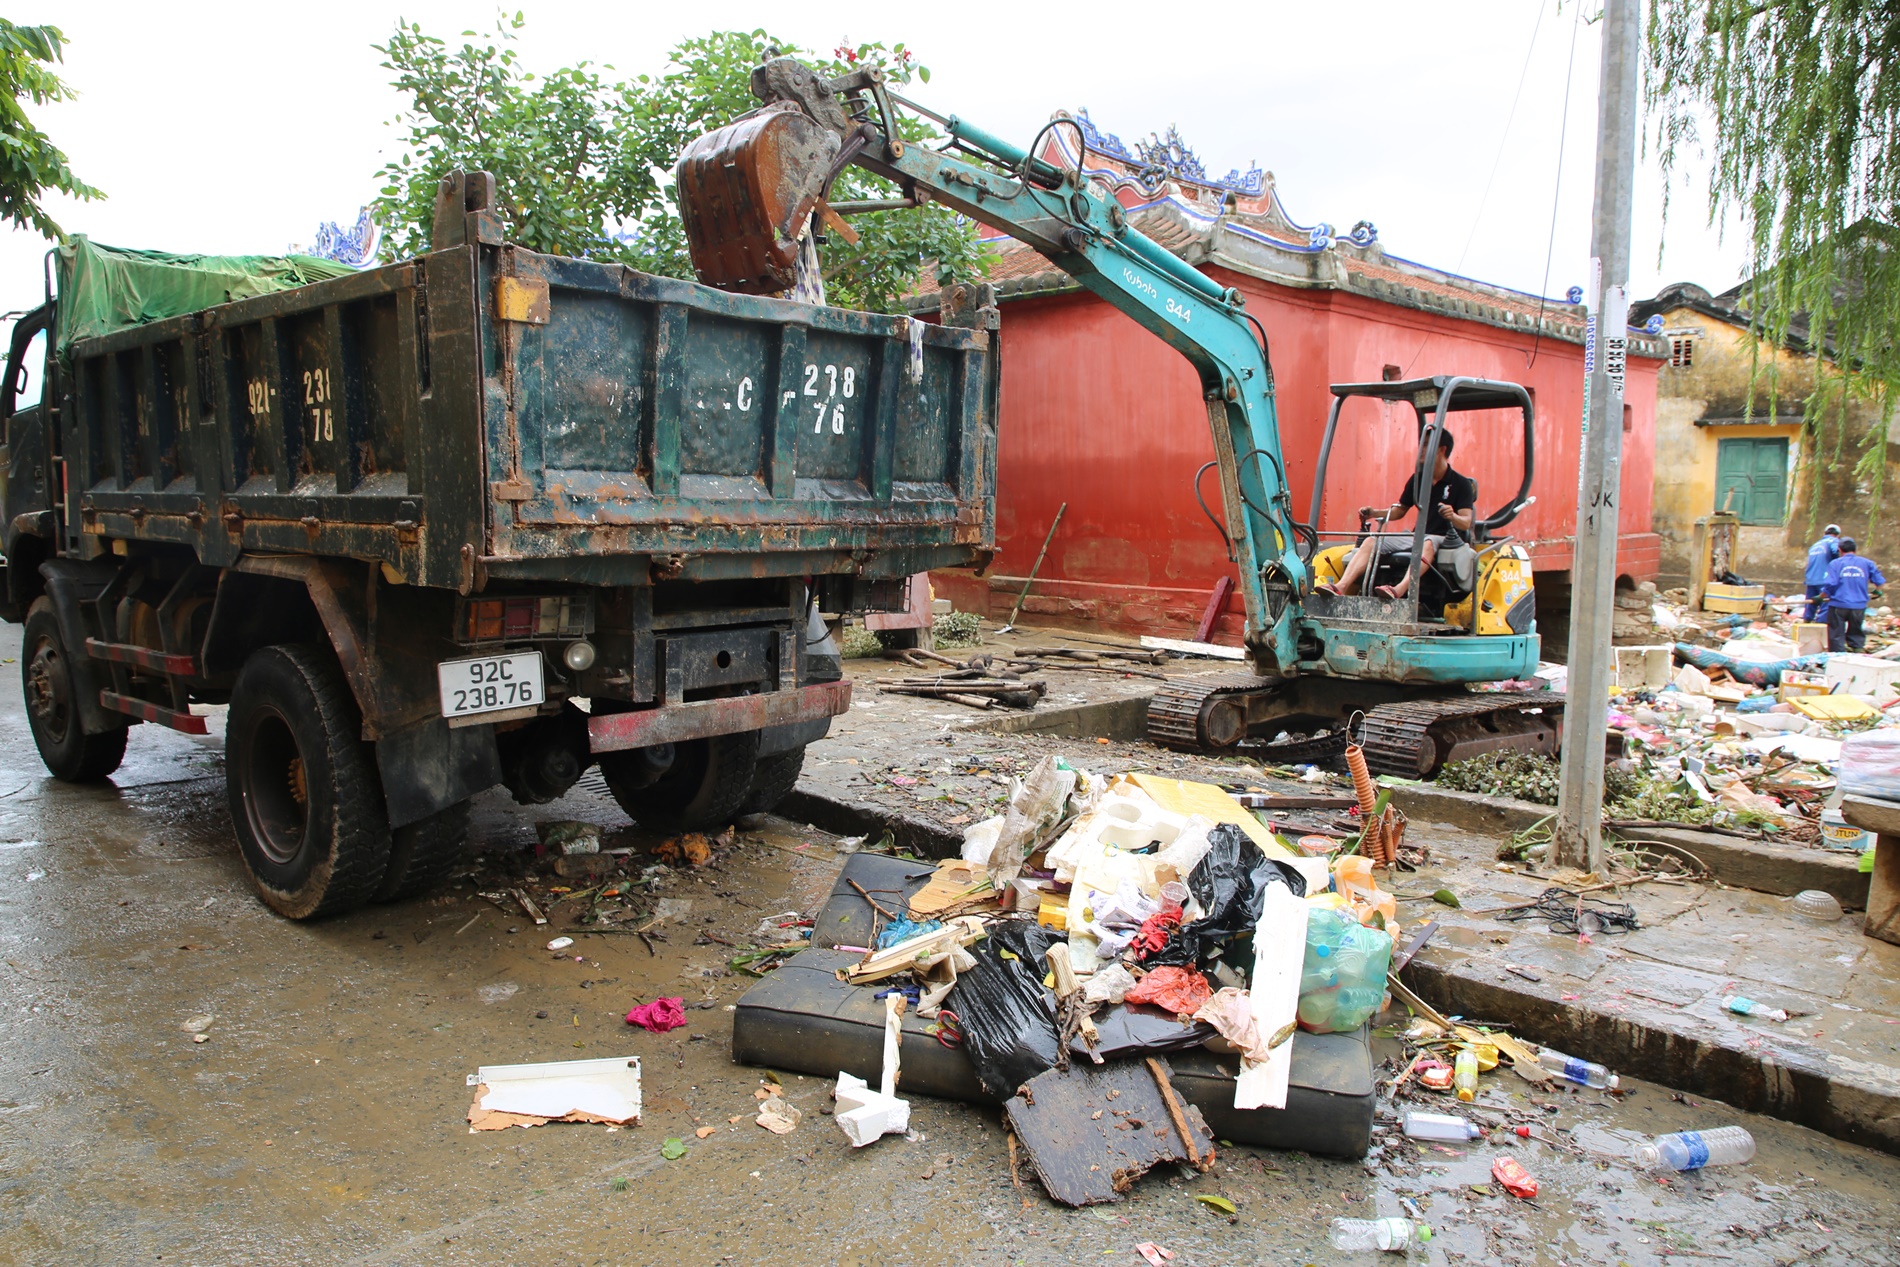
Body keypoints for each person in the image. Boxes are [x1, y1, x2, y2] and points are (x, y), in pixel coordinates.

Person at [1318, 430, 1476, 600]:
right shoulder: (1418, 480)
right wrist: (1374, 513)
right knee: (1372, 540)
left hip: (1444, 539)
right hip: (1418, 537)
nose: (1420, 450)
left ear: (1442, 450)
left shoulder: (1461, 484)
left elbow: (1466, 522)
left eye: (1426, 445)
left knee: (1428, 543)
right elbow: (1399, 510)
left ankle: (1398, 590)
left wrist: (1452, 516)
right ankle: (1341, 586)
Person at [1823, 538, 1885, 652]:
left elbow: (1830, 584)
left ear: (1840, 550)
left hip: (1839, 604)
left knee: (1836, 634)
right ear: (1855, 549)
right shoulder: (1866, 563)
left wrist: (1820, 597)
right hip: (1859, 605)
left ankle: (1838, 656)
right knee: (1856, 632)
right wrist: (1877, 591)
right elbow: (1880, 581)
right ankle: (1857, 651)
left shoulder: (1835, 563)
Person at [1803, 523, 1843, 622]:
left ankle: (1806, 623)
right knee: (1825, 604)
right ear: (1838, 535)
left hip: (1811, 578)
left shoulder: (1815, 545)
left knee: (1811, 602)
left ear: (1825, 533)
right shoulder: (1834, 541)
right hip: (1825, 578)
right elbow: (1836, 551)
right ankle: (1820, 626)